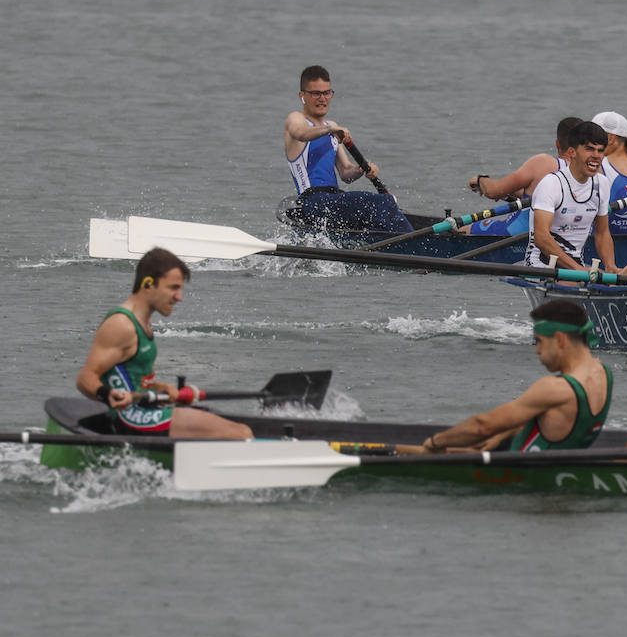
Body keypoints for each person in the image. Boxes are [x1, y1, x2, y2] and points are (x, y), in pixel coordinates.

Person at [75, 248, 253, 439]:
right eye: (173, 288)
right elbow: (85, 378)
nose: (179, 297)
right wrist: (106, 395)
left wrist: (159, 388)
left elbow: (132, 378)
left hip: (144, 409)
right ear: (149, 284)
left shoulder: (143, 321)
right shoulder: (121, 325)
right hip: (132, 418)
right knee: (242, 434)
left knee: (237, 429)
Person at [402, 301, 613, 453]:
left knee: (421, 449)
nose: (537, 350)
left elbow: (483, 425)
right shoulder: (603, 373)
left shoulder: (555, 388)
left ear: (559, 339)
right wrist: (503, 434)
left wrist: (435, 442)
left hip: (520, 474)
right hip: (553, 461)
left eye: (539, 341)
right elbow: (558, 419)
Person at [284, 65, 411, 232]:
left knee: (382, 209)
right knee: (383, 203)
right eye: (316, 93)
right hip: (313, 203)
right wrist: (330, 130)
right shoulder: (296, 119)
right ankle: (418, 242)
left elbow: (345, 173)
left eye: (327, 93)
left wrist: (362, 169)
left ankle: (398, 240)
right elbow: (301, 133)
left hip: (334, 200)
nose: (322, 98)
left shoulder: (332, 126)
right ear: (302, 96)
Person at [524, 120, 618, 271]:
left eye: (600, 151)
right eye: (589, 149)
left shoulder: (602, 184)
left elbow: (602, 233)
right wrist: (578, 270)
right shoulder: (551, 184)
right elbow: (541, 238)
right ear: (571, 152)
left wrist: (610, 265)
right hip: (540, 263)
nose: (596, 156)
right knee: (574, 283)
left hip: (575, 264)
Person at [468, 115, 583, 203]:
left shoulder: (543, 163)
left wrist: (480, 180)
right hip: (571, 229)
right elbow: (541, 196)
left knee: (463, 229)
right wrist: (511, 190)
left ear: (557, 144)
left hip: (525, 228)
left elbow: (493, 191)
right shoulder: (593, 172)